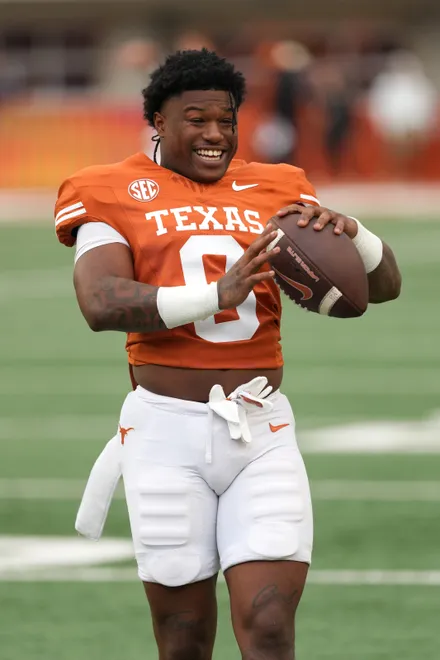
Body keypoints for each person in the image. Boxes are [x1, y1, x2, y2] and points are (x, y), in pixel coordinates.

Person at [54, 49, 401, 660]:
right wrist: (215, 295)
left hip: (260, 426)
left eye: (226, 119)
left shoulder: (280, 184)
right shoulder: (105, 188)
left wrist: (354, 232)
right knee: (183, 637)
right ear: (157, 121)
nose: (215, 133)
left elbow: (383, 287)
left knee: (268, 624)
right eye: (196, 119)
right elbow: (99, 303)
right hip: (165, 431)